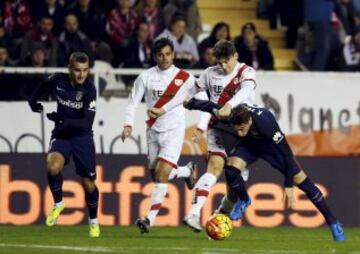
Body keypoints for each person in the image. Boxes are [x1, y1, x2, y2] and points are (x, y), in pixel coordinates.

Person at [185, 99, 346, 242]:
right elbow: (209, 106)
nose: (239, 133)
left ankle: (333, 223)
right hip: (249, 147)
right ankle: (244, 199)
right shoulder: (231, 114)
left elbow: (287, 155)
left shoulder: (267, 124)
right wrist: (189, 103)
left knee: (303, 182)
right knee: (231, 169)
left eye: (242, 128)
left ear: (249, 121)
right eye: (236, 129)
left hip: (272, 149)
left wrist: (288, 185)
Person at [147, 40, 257, 232]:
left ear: (236, 56)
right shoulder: (209, 73)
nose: (223, 66)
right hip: (218, 127)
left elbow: (247, 90)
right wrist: (163, 109)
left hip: (241, 130)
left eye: (227, 61)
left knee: (234, 187)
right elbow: (186, 93)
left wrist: (229, 105)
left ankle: (219, 217)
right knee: (214, 167)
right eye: (219, 62)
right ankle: (194, 214)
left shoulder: (246, 72)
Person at [121, 37, 197, 234]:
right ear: (154, 56)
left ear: (173, 54)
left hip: (174, 130)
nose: (164, 58)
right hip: (153, 131)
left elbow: (201, 95)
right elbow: (133, 101)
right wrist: (128, 125)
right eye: (160, 55)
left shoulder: (184, 77)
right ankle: (186, 172)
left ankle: (148, 220)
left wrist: (204, 123)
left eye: (168, 54)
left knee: (162, 173)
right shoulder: (145, 77)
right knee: (156, 175)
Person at [28, 52, 100, 238]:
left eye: (85, 70)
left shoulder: (90, 90)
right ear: (69, 69)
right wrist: (32, 100)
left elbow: (86, 123)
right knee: (53, 165)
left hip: (82, 137)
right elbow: (44, 84)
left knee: (88, 183)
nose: (81, 75)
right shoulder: (59, 80)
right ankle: (59, 203)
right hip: (62, 135)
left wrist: (62, 119)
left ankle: (93, 221)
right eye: (77, 70)